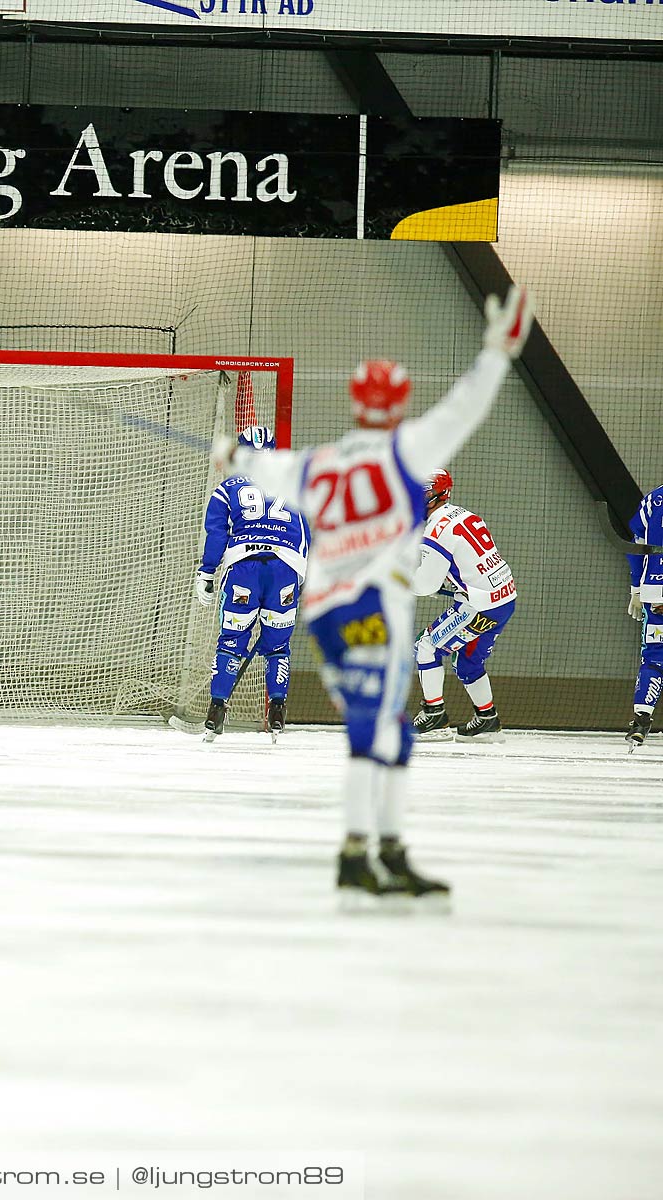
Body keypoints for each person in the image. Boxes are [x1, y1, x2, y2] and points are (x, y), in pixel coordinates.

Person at [215, 283, 534, 904]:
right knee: (377, 730)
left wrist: (231, 453)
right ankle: (365, 853)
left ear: (355, 401)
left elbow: (254, 465)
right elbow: (463, 409)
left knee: (388, 730)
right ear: (399, 403)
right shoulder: (410, 452)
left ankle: (377, 851)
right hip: (372, 615)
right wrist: (497, 351)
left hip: (330, 614)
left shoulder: (320, 463)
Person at [194, 424, 307, 742]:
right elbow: (304, 532)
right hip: (285, 569)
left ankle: (216, 711)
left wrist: (206, 573)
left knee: (231, 641)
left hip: (243, 569)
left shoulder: (227, 487)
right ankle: (278, 711)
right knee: (278, 646)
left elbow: (217, 533)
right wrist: (303, 574)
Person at [411, 470, 516, 742]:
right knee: (468, 662)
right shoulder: (463, 514)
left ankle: (434, 717)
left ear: (434, 495)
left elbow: (423, 585)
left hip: (479, 605)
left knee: (426, 646)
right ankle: (487, 720)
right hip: (503, 600)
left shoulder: (436, 528)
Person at [625, 482, 663, 749]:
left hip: (656, 592)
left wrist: (636, 589)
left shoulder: (654, 500)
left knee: (654, 658)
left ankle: (641, 720)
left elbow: (635, 546)